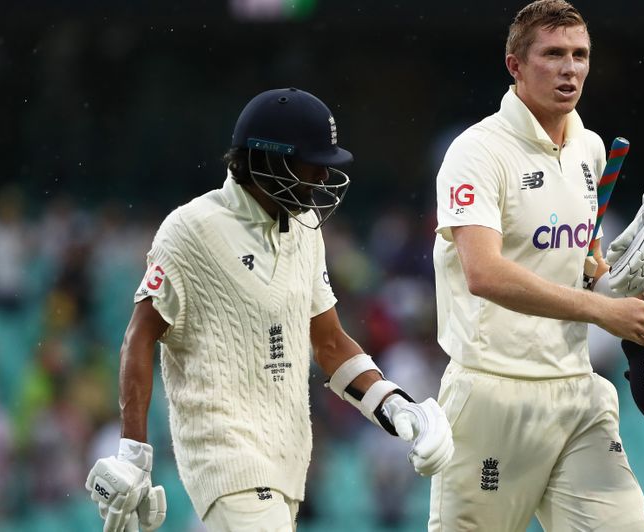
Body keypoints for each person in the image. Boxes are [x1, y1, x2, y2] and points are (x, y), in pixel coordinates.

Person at [84, 87, 453, 532]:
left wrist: (394, 405)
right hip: (224, 458)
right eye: (313, 164)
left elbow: (330, 342)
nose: (322, 178)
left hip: (287, 462)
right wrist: (134, 454)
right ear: (268, 160)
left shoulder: (303, 232)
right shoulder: (191, 229)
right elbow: (139, 336)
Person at [429, 1, 644, 530]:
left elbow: (581, 265)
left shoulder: (590, 149)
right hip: (493, 394)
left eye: (580, 55)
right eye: (552, 54)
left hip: (577, 388)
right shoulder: (476, 153)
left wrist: (635, 283)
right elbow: (485, 274)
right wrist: (599, 311)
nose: (570, 69)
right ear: (515, 65)